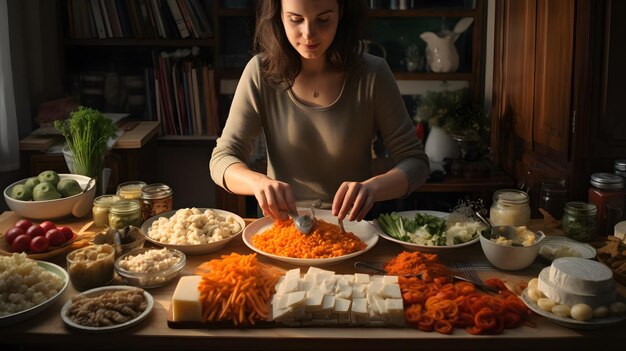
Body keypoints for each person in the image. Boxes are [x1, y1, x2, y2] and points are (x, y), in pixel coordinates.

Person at [209, 0, 429, 223]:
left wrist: (373, 188)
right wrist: (258, 183)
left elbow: (416, 162)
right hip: (280, 228)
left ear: (341, 12)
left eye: (323, 20)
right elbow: (222, 158)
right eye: (295, 20)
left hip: (352, 229)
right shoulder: (259, 72)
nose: (308, 34)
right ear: (279, 16)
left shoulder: (373, 73)